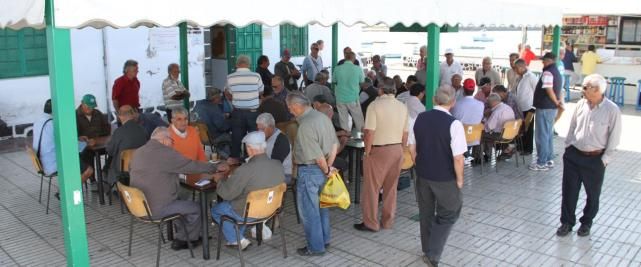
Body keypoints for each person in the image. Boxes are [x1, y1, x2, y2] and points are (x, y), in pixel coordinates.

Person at [130, 127, 218, 250]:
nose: (172, 144)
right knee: (196, 208)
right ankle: (185, 240)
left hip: (138, 205)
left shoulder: (139, 151)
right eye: (172, 141)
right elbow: (190, 165)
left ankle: (187, 233)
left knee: (181, 200)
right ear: (165, 140)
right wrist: (214, 167)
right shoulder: (165, 153)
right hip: (156, 208)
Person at [556, 74, 622, 238]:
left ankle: (586, 223)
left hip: (595, 159)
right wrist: (568, 146)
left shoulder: (611, 110)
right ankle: (567, 222)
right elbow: (572, 127)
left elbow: (615, 137)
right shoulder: (580, 104)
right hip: (574, 155)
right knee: (569, 191)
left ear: (598, 90)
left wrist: (605, 160)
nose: (582, 90)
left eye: (585, 87)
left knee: (593, 194)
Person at [413, 86, 466, 267]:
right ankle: (433, 254)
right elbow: (458, 158)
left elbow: (412, 148)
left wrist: (419, 164)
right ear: (453, 102)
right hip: (445, 178)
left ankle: (427, 248)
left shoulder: (420, 118)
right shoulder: (454, 124)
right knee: (450, 212)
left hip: (423, 174)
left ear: (434, 100)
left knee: (426, 212)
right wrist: (460, 180)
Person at [210, 131, 285, 249]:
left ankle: (237, 239)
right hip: (270, 211)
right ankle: (238, 234)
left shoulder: (245, 169)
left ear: (249, 149)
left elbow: (227, 194)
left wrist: (219, 180)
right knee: (243, 201)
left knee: (216, 210)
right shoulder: (278, 165)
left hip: (248, 213)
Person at [287, 92, 338, 256]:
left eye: (289, 108)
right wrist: (329, 169)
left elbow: (316, 156)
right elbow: (334, 146)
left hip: (310, 171)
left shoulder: (306, 125)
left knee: (310, 211)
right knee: (322, 208)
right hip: (323, 169)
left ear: (295, 106)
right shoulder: (323, 117)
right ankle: (324, 239)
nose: (289, 112)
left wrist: (326, 169)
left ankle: (315, 247)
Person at [354, 78, 408, 232]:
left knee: (372, 188)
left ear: (380, 89)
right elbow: (405, 133)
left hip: (379, 150)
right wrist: (401, 150)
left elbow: (369, 132)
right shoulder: (402, 106)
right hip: (397, 149)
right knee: (391, 188)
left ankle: (371, 223)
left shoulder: (374, 105)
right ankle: (387, 221)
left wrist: (367, 152)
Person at [33, 99, 94, 195]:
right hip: (54, 163)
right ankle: (65, 193)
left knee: (80, 160)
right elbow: (69, 146)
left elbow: (55, 139)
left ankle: (66, 188)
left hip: (43, 161)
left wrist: (77, 138)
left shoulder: (39, 120)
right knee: (88, 170)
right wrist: (87, 143)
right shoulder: (54, 123)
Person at [224, 55, 264, 159]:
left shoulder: (230, 77)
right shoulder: (256, 76)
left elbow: (228, 93)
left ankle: (235, 163)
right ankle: (250, 159)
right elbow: (261, 91)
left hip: (237, 112)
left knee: (236, 139)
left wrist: (237, 97)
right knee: (253, 139)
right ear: (249, 64)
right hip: (253, 112)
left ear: (237, 64)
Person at [529, 53, 562, 171]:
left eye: (543, 61)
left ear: (548, 61)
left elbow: (548, 89)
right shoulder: (557, 71)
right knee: (548, 134)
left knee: (541, 135)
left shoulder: (548, 72)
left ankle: (541, 162)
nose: (542, 63)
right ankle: (548, 159)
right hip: (551, 108)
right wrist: (557, 102)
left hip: (544, 107)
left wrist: (556, 102)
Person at [105, 105, 148, 185]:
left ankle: (110, 188)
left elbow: (110, 151)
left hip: (123, 169)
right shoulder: (143, 129)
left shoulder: (119, 132)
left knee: (108, 166)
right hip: (142, 165)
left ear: (120, 116)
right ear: (132, 115)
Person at [256, 113, 292, 183]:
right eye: (258, 129)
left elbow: (275, 164)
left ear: (271, 127)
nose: (259, 132)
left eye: (262, 129)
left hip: (283, 174)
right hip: (268, 170)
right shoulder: (264, 137)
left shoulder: (281, 140)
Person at [334, 51, 365, 131]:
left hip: (340, 98)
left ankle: (345, 140)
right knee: (359, 120)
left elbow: (334, 81)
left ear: (345, 58)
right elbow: (362, 82)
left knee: (343, 121)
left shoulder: (337, 68)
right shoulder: (358, 69)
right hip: (353, 98)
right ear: (354, 59)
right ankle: (362, 138)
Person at [514, 59, 537, 155]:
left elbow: (536, 91)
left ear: (521, 67)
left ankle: (528, 149)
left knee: (528, 129)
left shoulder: (531, 76)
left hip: (529, 107)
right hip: (520, 107)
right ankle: (521, 147)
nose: (515, 70)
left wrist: (534, 106)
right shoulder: (520, 77)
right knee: (522, 128)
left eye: (516, 68)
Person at [482, 93, 516, 159]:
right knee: (489, 133)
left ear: (492, 102)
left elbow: (489, 127)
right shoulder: (508, 107)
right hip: (511, 134)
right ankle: (507, 149)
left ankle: (485, 156)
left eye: (489, 103)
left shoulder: (497, 111)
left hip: (501, 135)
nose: (488, 105)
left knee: (482, 134)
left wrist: (484, 120)